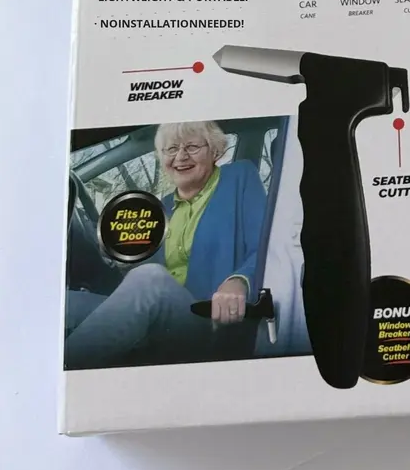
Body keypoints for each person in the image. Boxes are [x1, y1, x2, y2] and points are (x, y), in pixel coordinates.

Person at [64, 121, 267, 369]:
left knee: (150, 279)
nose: (180, 156)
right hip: (163, 316)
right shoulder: (165, 205)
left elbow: (267, 246)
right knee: (65, 303)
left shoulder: (239, 178)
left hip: (210, 323)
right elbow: (148, 276)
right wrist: (122, 257)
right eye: (171, 149)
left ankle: (61, 376)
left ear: (214, 150)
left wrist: (240, 280)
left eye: (191, 147)